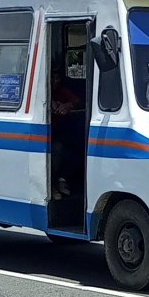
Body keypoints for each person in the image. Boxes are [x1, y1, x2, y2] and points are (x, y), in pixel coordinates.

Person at [51, 68, 82, 200]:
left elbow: (77, 101)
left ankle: (61, 179)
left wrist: (68, 105)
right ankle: (50, 184)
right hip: (44, 135)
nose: (55, 81)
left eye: (57, 78)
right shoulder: (41, 91)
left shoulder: (62, 91)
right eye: (52, 78)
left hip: (61, 132)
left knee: (78, 147)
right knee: (57, 149)